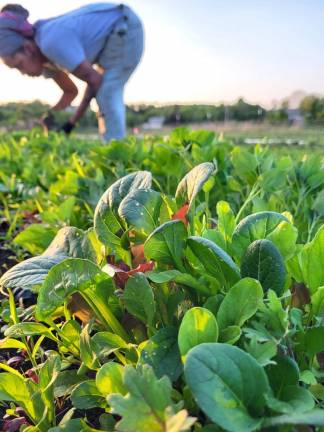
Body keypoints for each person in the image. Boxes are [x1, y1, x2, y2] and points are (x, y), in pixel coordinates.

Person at [0, 3, 144, 141]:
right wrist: (52, 117)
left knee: (107, 91)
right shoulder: (43, 59)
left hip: (123, 25)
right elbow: (70, 91)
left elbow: (95, 81)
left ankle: (115, 150)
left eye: (19, 65)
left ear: (28, 49)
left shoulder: (51, 42)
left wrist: (71, 123)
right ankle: (110, 146)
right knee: (103, 89)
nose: (22, 73)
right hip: (108, 39)